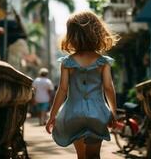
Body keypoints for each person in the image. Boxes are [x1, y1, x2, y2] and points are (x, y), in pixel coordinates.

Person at [46, 11, 120, 159]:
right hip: (97, 114)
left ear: (72, 35)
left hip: (73, 114)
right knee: (94, 155)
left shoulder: (67, 62)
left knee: (81, 157)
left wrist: (52, 116)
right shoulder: (103, 62)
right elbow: (108, 88)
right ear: (97, 32)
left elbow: (62, 90)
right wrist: (113, 112)